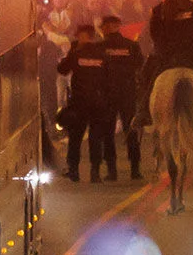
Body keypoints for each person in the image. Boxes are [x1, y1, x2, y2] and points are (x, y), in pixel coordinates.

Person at [57, 24, 110, 183]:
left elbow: (62, 69)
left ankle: (74, 171)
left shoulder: (76, 54)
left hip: (79, 102)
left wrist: (72, 52)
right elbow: (108, 77)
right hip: (97, 101)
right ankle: (95, 172)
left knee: (75, 138)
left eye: (80, 35)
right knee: (95, 138)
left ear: (84, 36)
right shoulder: (102, 55)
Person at [98, 14, 144, 181]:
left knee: (108, 133)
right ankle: (135, 170)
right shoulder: (131, 45)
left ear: (105, 28)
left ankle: (112, 171)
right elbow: (140, 67)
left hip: (107, 95)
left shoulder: (99, 47)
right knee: (130, 130)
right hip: (127, 94)